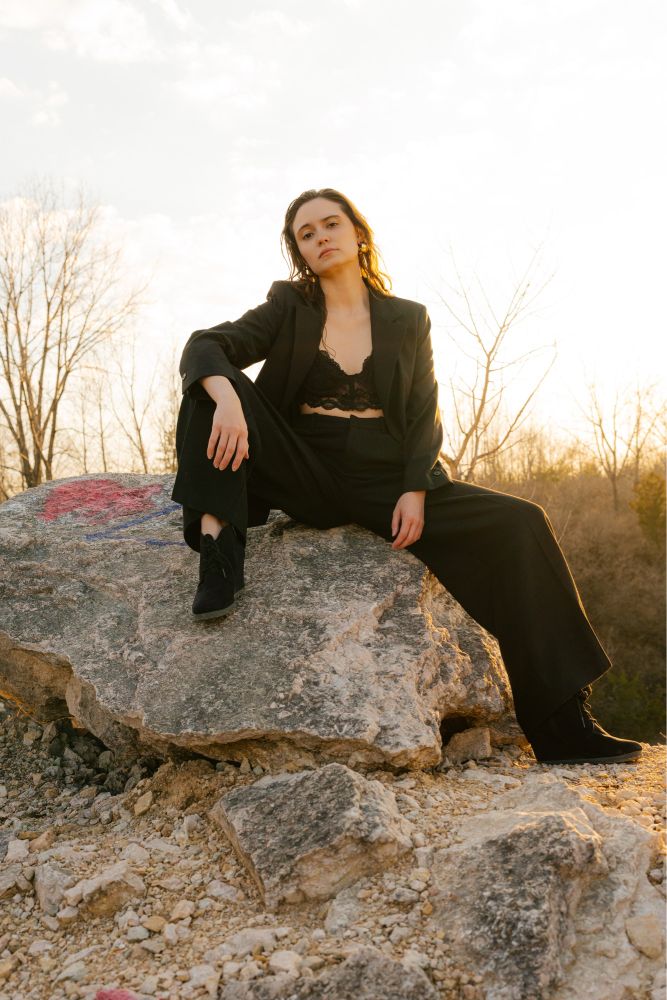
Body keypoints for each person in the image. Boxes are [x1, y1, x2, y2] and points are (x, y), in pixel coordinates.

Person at [171, 186, 642, 767]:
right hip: (303, 465)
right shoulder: (288, 306)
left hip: (383, 475)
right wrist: (227, 398)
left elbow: (423, 410)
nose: (321, 237)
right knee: (207, 383)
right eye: (306, 233)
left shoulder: (407, 319)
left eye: (330, 224)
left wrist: (415, 488)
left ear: (358, 233)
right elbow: (206, 344)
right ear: (299, 251)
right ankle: (219, 548)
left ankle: (563, 723)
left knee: (522, 523)